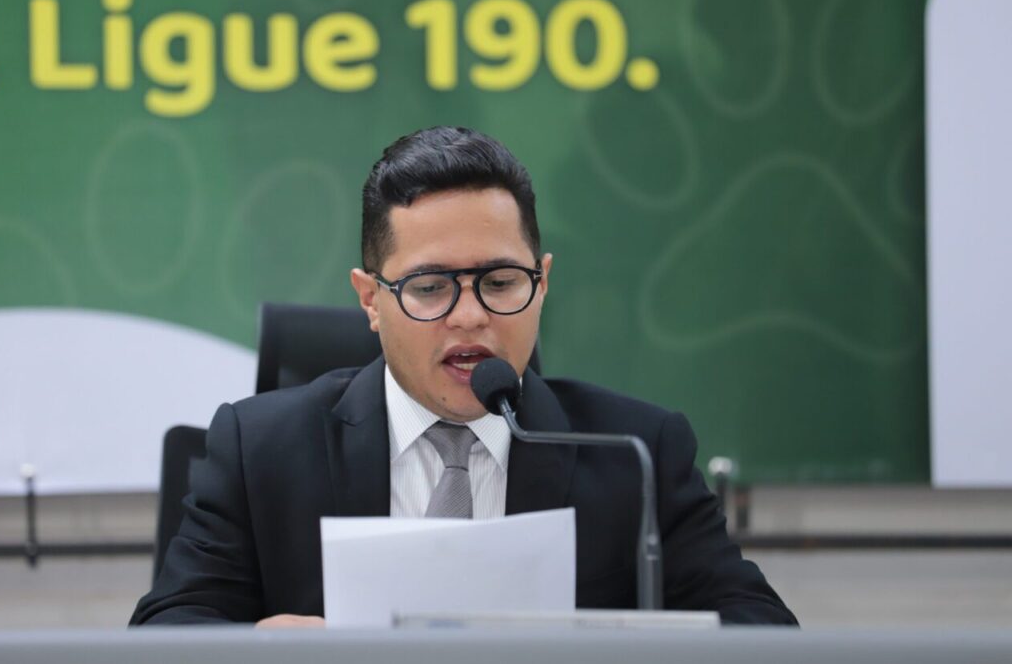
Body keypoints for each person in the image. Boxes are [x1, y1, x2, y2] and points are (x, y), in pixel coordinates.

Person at [131, 126, 797, 626]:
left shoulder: (635, 452)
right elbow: (166, 630)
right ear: (371, 299)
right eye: (430, 288)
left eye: (501, 281)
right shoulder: (260, 449)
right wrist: (258, 646)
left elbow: (761, 628)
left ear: (542, 284)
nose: (471, 315)